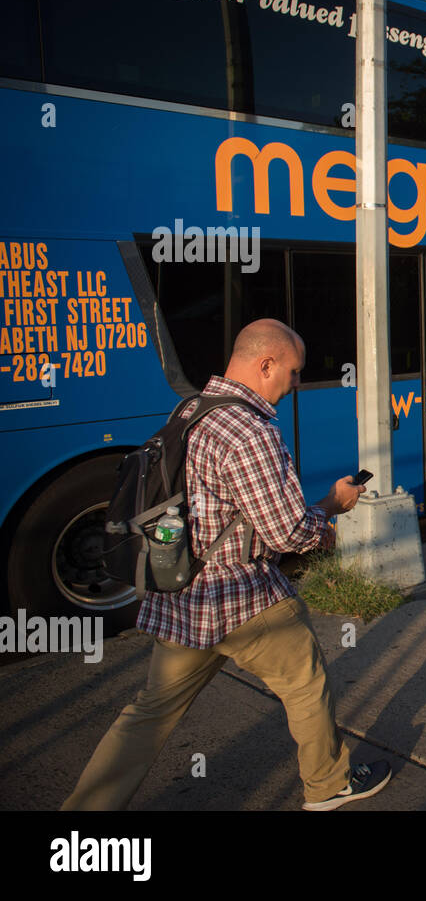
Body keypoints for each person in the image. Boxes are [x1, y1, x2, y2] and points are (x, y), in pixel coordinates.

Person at [64, 319, 391, 811]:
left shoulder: (191, 410)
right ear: (266, 364)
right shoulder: (249, 431)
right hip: (240, 598)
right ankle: (328, 785)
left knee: (148, 714)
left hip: (181, 595)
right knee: (306, 684)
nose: (296, 384)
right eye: (295, 372)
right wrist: (330, 510)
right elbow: (287, 532)